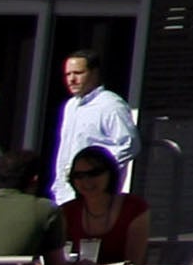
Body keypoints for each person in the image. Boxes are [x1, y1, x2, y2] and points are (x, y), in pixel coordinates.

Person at [52, 54, 136, 196]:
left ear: (94, 73)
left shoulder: (110, 105)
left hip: (95, 194)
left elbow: (130, 144)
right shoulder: (71, 105)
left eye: (78, 73)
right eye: (68, 74)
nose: (71, 79)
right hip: (65, 193)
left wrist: (94, 170)